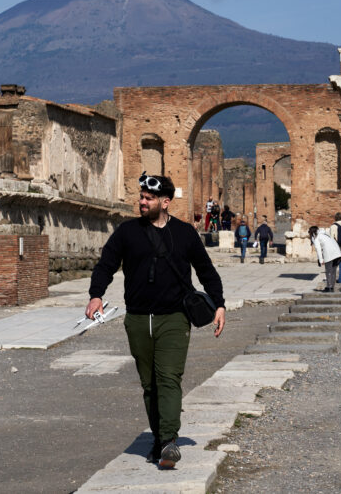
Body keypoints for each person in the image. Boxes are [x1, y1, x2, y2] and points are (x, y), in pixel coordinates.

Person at [86, 173, 225, 469]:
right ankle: (159, 439)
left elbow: (206, 271)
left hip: (174, 318)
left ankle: (169, 441)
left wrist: (220, 304)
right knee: (149, 385)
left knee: (168, 378)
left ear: (165, 202)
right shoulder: (126, 232)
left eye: (148, 198)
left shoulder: (185, 234)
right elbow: (106, 264)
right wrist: (96, 295)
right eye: (141, 197)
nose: (142, 202)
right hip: (137, 319)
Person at [309, 225, 341, 292]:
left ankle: (329, 287)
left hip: (329, 254)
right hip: (338, 253)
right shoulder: (325, 234)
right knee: (333, 270)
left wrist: (321, 260)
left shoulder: (316, 237)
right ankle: (331, 287)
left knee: (328, 270)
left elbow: (318, 249)